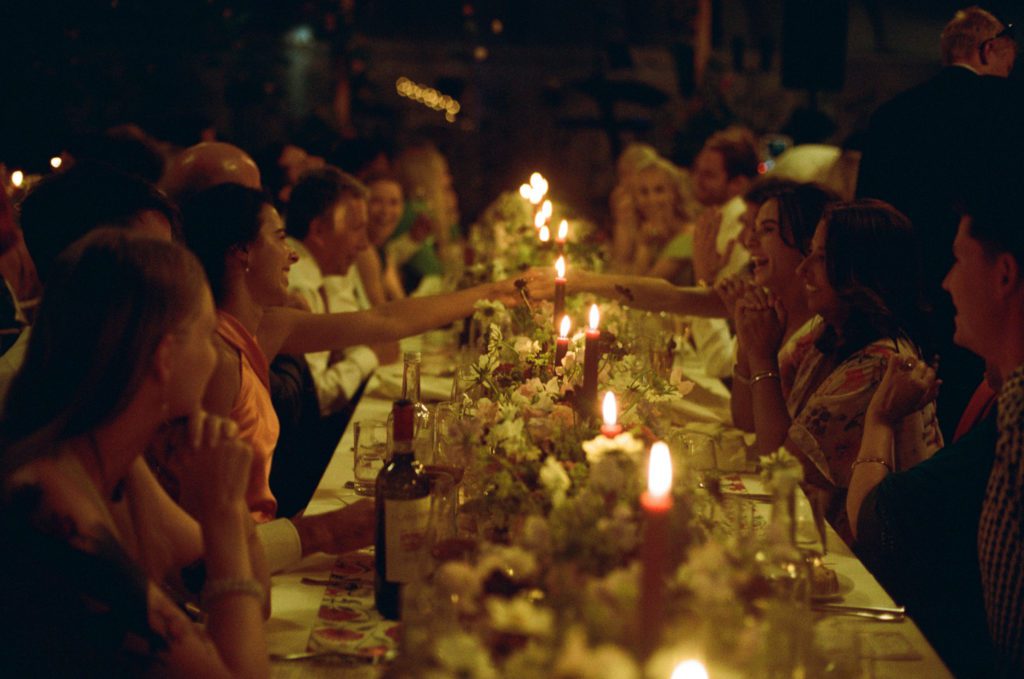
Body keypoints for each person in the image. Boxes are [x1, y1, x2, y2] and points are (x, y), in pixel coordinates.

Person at [0, 231, 269, 677]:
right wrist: (221, 511)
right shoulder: (52, 505)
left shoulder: (114, 467)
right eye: (206, 335)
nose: (215, 356)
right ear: (165, 355)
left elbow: (254, 599)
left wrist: (226, 495)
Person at [176, 183, 528, 524]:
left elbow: (384, 320)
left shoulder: (267, 327)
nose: (293, 254)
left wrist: (497, 292)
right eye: (280, 239)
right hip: (247, 553)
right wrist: (314, 533)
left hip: (267, 535)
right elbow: (202, 517)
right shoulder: (217, 358)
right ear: (243, 252)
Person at [856, 6, 1021, 440]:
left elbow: (864, 221)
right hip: (982, 294)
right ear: (988, 50)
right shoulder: (1004, 110)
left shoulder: (892, 115)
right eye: (1009, 57)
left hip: (899, 303)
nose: (1011, 67)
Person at [736, 199, 943, 541]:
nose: (804, 270)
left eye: (821, 257)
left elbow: (779, 467)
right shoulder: (828, 336)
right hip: (821, 535)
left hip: (865, 566)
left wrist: (761, 358)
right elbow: (748, 420)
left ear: (858, 270)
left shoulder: (878, 363)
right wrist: (751, 349)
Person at [358, 172, 408, 304]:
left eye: (394, 203)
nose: (386, 211)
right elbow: (384, 315)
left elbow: (400, 303)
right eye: (376, 201)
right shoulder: (362, 251)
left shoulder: (382, 252)